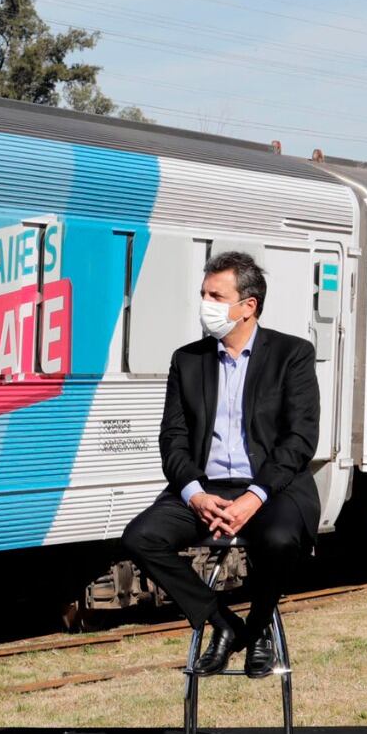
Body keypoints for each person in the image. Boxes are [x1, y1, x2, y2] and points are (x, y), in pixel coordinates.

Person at [121, 251, 319, 677]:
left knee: (282, 540)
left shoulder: (293, 355)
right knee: (140, 536)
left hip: (271, 489)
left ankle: (260, 626)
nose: (205, 304)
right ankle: (225, 623)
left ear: (248, 306)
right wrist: (194, 493)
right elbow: (172, 439)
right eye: (203, 294)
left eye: (216, 295)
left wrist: (254, 496)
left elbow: (299, 440)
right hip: (207, 488)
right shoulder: (188, 360)